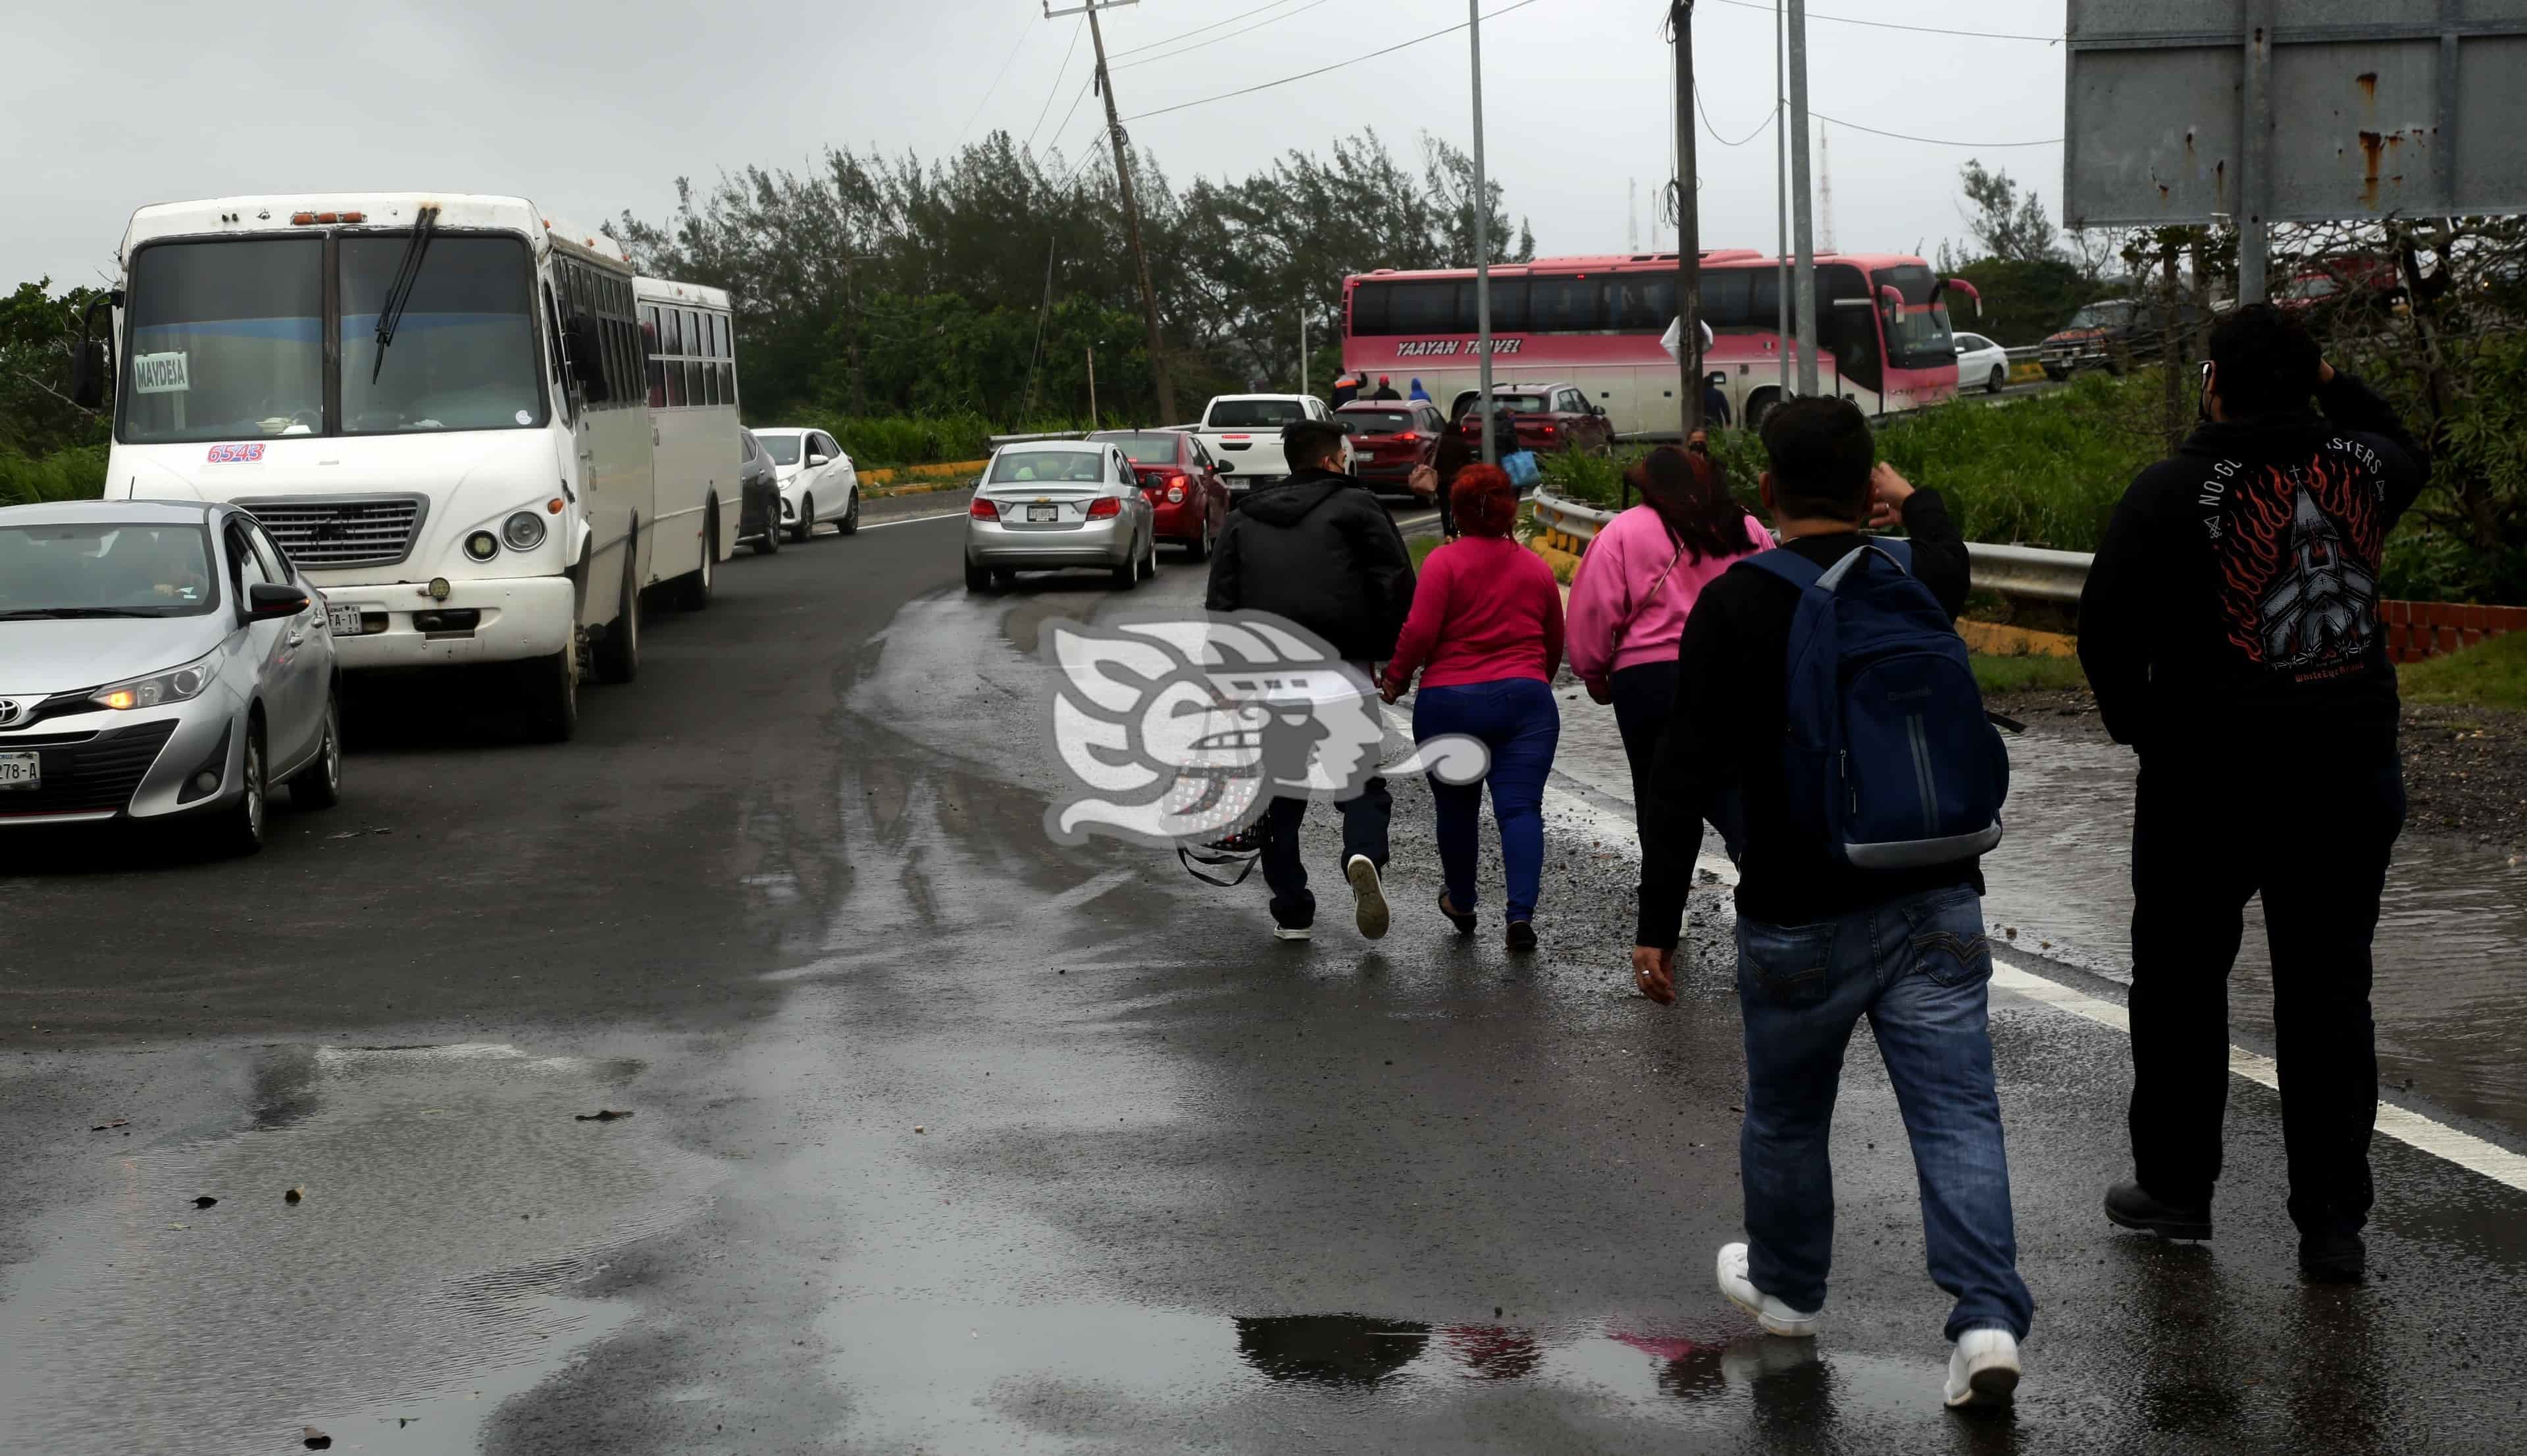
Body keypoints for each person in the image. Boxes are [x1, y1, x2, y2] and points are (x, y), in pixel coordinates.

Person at [1633, 396, 2031, 1409]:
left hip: (1799, 908)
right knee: (1956, 1115)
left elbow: (1680, 772)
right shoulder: (1914, 578)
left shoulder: (1735, 603)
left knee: (1786, 1116)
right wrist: (1912, 497)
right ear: (1868, 493)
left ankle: (1790, 1291)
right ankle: (1985, 1321)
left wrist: (1658, 922)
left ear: (1767, 493)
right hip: (1938, 892)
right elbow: (1949, 548)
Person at [2077, 304, 2429, 1284]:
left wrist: (2145, 731)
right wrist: (2329, 378)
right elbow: (2405, 440)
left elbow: (2104, 632)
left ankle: (2178, 1191)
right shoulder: (2362, 473)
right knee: (2328, 994)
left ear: (2215, 383)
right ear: (2312, 379)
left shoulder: (2169, 491)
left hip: (2206, 784)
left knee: (2182, 985)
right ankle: (2331, 1226)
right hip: (2347, 775)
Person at [1208, 416, 1417, 942]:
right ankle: (1362, 853)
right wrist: (1394, 662)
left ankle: (1292, 910)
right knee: (1363, 787)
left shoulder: (1243, 515)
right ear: (1330, 460)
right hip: (1343, 676)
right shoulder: (1358, 506)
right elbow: (1397, 584)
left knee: (1279, 799)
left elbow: (1222, 605)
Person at [1379, 465, 1566, 951]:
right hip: (1525, 702)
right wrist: (1530, 686)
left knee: (1457, 809)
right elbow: (1554, 640)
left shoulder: (1443, 563)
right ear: (1509, 511)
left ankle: (1462, 900)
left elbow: (1418, 631)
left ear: (1457, 512)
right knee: (1521, 808)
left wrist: (1397, 679)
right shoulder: (1536, 568)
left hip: (1449, 703)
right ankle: (1520, 915)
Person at [1565, 445, 1768, 818]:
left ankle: (1666, 877)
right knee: (1735, 785)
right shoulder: (1745, 526)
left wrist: (1593, 673)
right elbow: (1771, 597)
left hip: (1647, 680)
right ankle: (1754, 863)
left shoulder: (1621, 532)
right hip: (1732, 674)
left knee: (1657, 793)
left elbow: (1592, 611)